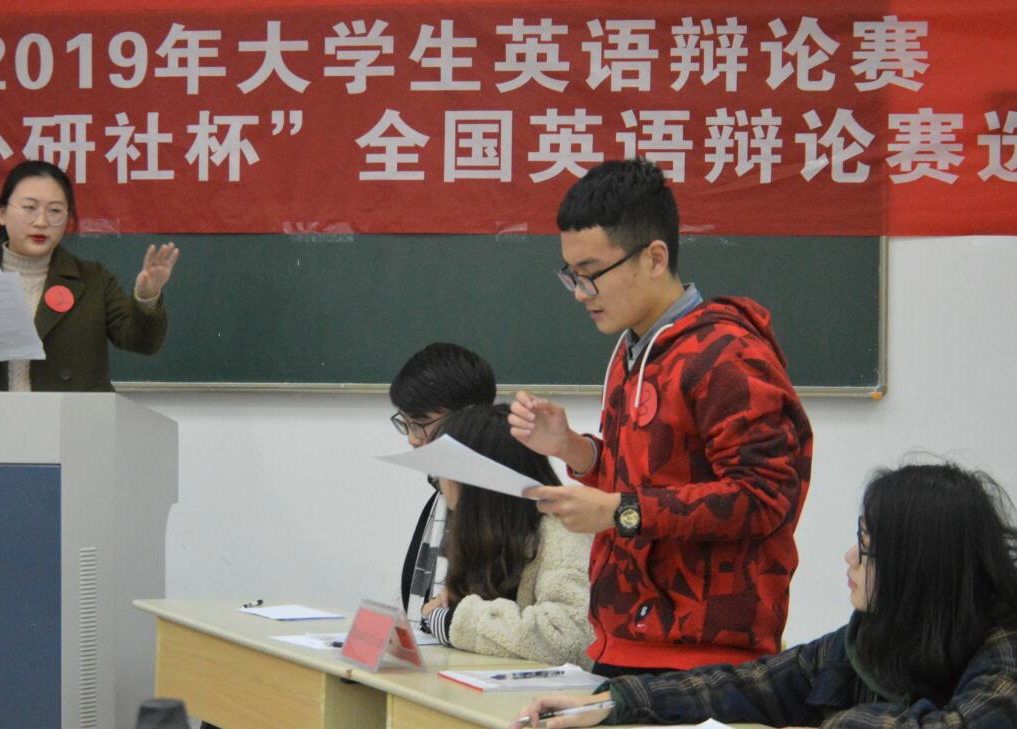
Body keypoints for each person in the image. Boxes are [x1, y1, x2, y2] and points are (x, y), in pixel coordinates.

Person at [509, 158, 813, 676]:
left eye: (591, 274)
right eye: (571, 276)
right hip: (624, 641)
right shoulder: (633, 351)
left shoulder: (726, 353)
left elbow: (764, 497)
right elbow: (650, 479)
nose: (580, 293)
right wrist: (575, 450)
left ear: (654, 258)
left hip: (704, 659)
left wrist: (619, 512)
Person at [517, 461, 1017, 728]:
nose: (849, 557)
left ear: (918, 568)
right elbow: (755, 684)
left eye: (866, 547)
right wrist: (615, 702)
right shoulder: (870, 636)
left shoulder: (1004, 651)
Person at [0, 159, 179, 391]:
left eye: (54, 211)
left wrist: (147, 297)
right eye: (30, 208)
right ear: (3, 214)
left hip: (71, 423)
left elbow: (141, 342)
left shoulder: (93, 279)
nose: (41, 221)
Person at [420, 404, 593, 667]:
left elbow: (570, 638)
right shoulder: (491, 533)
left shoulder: (563, 535)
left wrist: (456, 619)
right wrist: (450, 607)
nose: (441, 483)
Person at [389, 342, 497, 624]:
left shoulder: (508, 505)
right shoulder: (440, 495)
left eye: (419, 424)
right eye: (406, 424)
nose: (412, 439)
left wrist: (443, 623)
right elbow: (417, 599)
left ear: (468, 418)